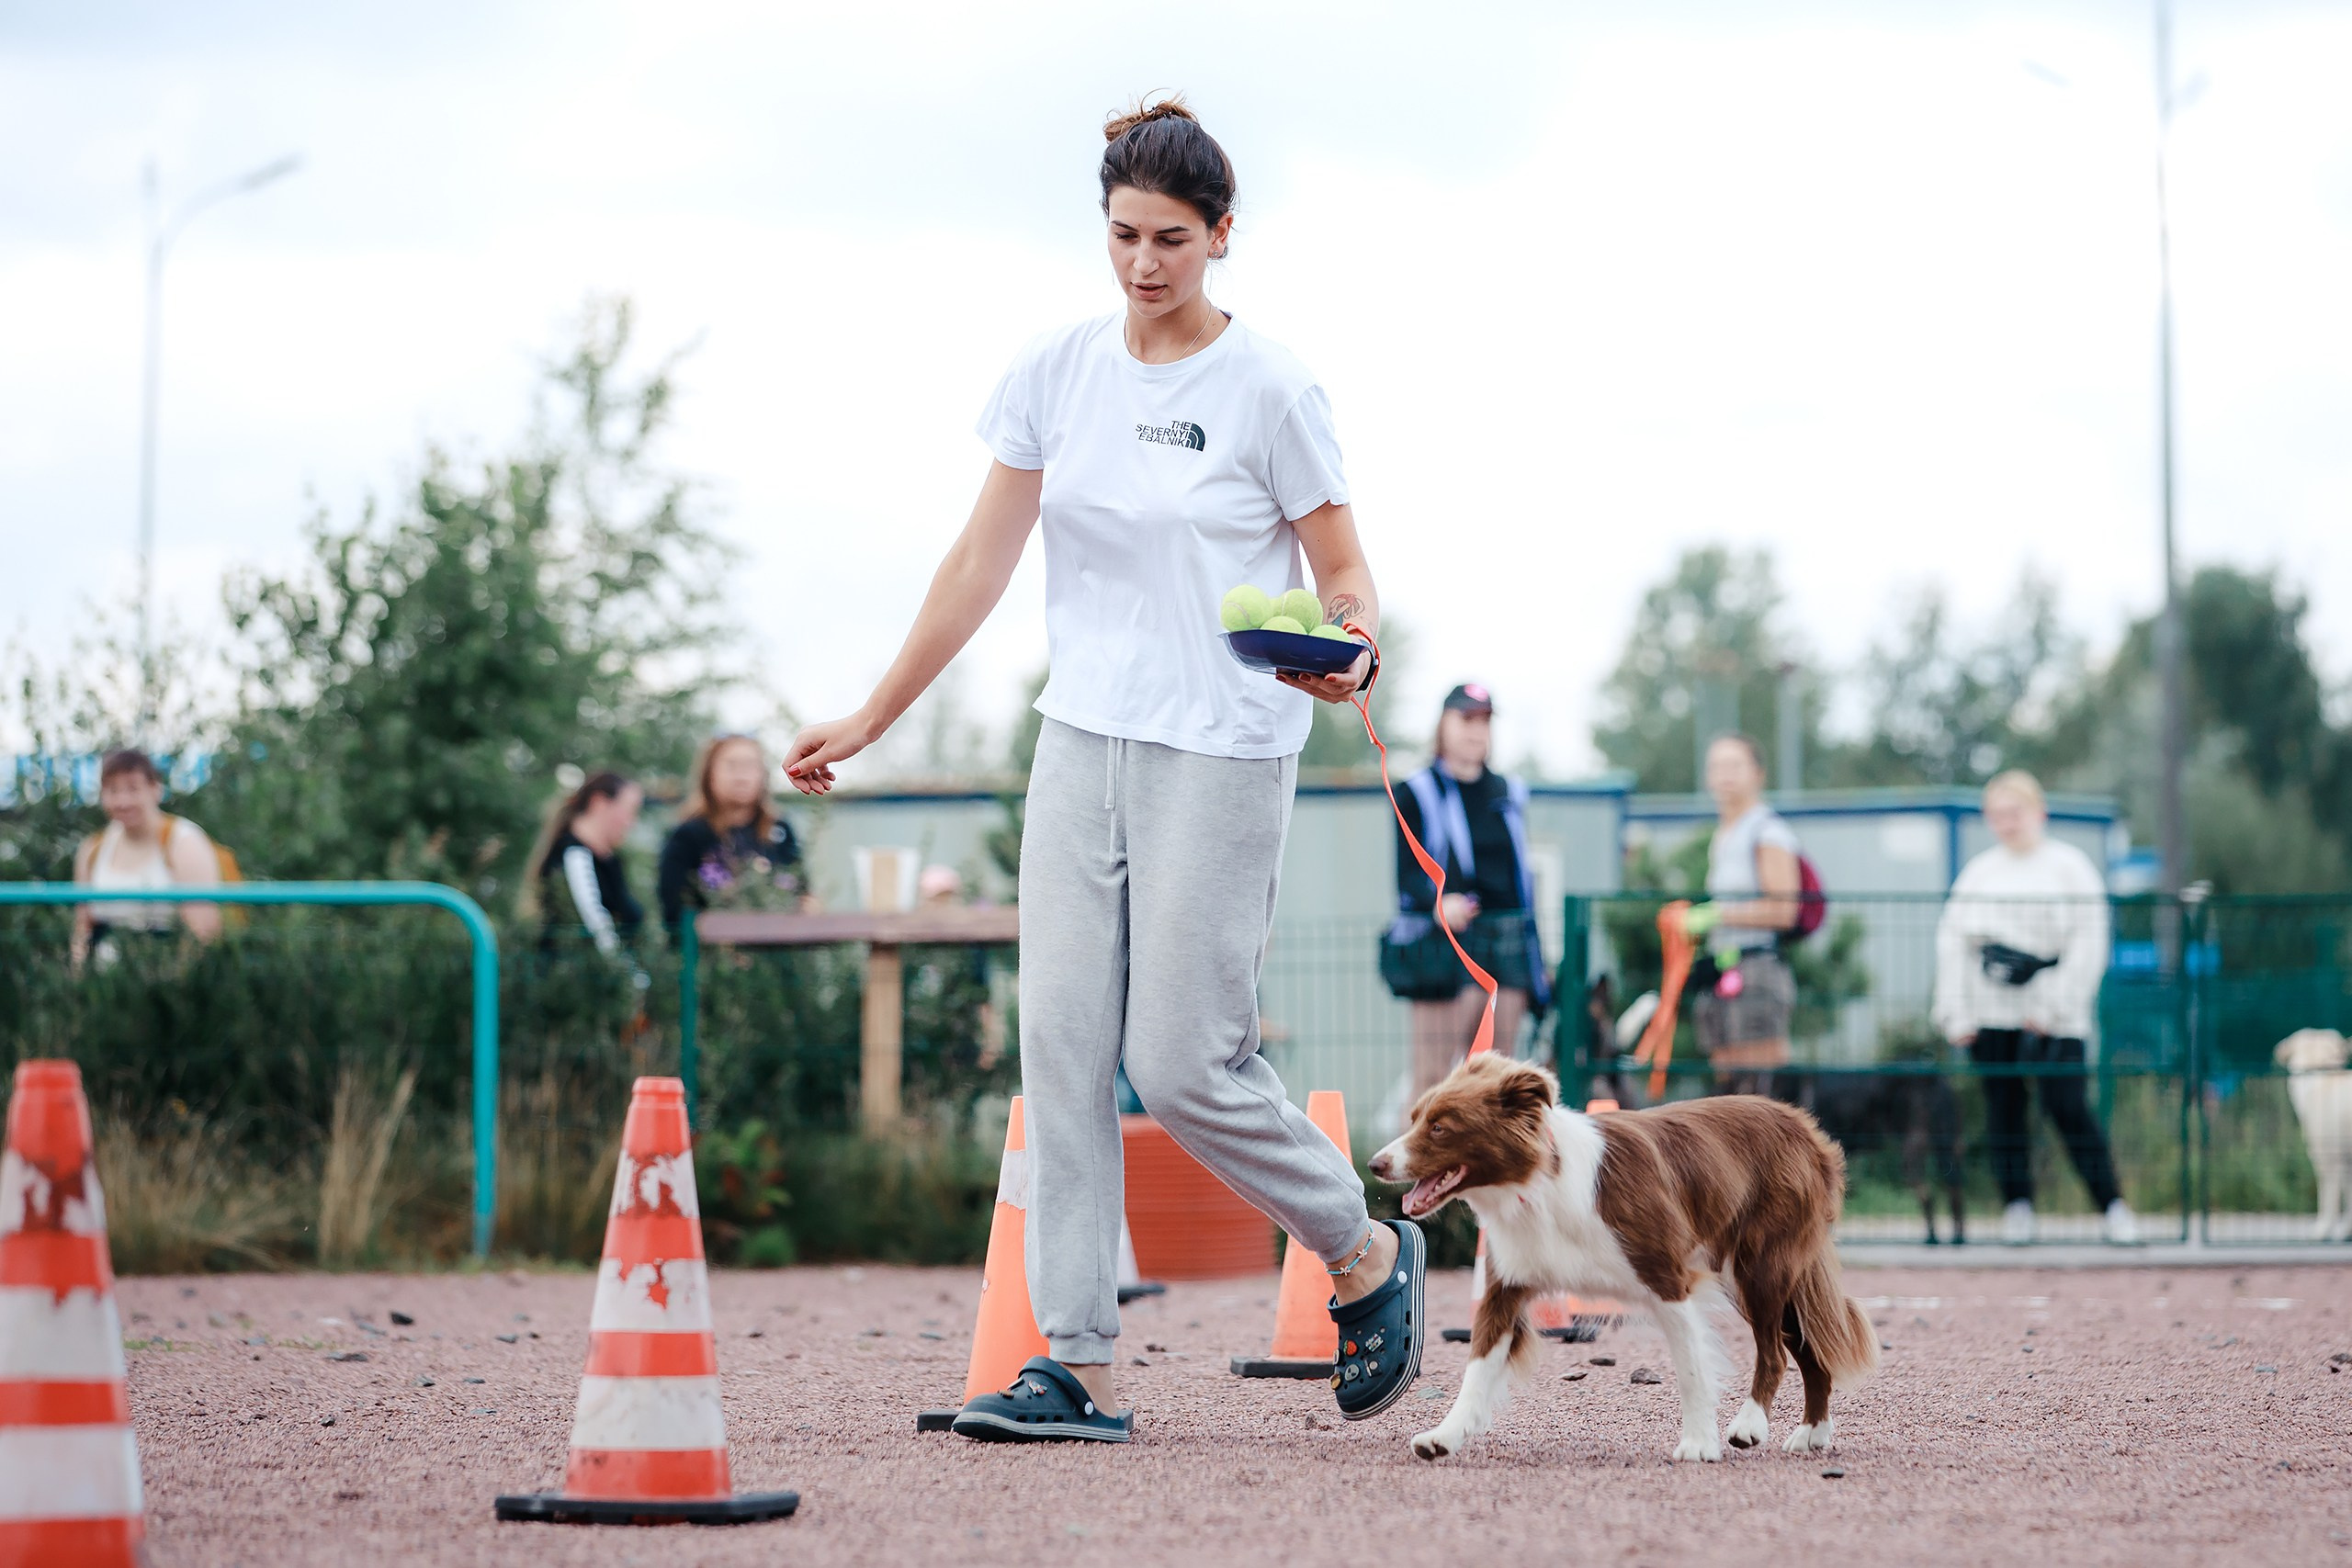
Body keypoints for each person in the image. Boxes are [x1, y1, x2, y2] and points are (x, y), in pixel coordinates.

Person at [783, 96, 1423, 1442]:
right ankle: (1076, 1361)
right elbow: (980, 561)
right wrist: (877, 711)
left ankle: (1359, 1248)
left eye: (1174, 239)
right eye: (1126, 234)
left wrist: (1350, 645)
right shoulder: (1056, 369)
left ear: (1223, 237)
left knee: (1184, 1060)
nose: (1145, 263)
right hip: (1080, 738)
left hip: (1226, 745)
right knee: (1063, 1046)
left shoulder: (1272, 388)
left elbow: (1347, 576)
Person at [1933, 770, 2137, 1246]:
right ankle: (2017, 1207)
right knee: (2004, 1109)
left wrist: (2053, 1005)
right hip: (1991, 1009)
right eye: (1997, 815)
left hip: (2056, 1012)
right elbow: (1953, 944)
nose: (2007, 823)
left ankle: (2113, 1207)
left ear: (2038, 812)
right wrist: (1955, 1012)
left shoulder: (2069, 867)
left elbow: (2089, 943)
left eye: (2015, 812)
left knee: (2068, 1107)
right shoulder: (1980, 873)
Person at [1387, 682, 1551, 1096]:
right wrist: (1441, 903)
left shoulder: (1509, 792)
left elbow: (1518, 876)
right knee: (1433, 1079)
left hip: (1507, 943)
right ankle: (1420, 1162)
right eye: (1466, 719)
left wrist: (1537, 956)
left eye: (1484, 721)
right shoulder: (1415, 791)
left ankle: (1490, 1163)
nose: (1476, 730)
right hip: (1448, 945)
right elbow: (1407, 875)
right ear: (1442, 724)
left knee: (1498, 1085)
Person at [1676, 733, 1803, 1097]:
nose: (1724, 775)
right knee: (1728, 1091)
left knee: (1759, 1094)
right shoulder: (1724, 834)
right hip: (1724, 970)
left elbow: (1785, 910)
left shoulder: (1768, 831)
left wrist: (1718, 915)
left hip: (1757, 970)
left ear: (1758, 774)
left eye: (1735, 765)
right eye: (1717, 766)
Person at [71, 748, 221, 969]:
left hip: (168, 982)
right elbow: (82, 929)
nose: (122, 801)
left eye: (133, 789)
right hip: (105, 985)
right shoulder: (93, 848)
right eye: (112, 790)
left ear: (156, 789)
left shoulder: (184, 842)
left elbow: (205, 932)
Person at [656, 734, 806, 934]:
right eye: (731, 765)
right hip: (712, 957)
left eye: (750, 765)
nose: (741, 774)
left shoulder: (780, 830)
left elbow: (803, 894)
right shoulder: (688, 836)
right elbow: (675, 910)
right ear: (709, 774)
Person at [517, 771, 644, 955]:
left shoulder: (612, 862)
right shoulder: (573, 856)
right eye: (630, 810)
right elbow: (597, 929)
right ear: (599, 803)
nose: (631, 822)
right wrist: (635, 980)